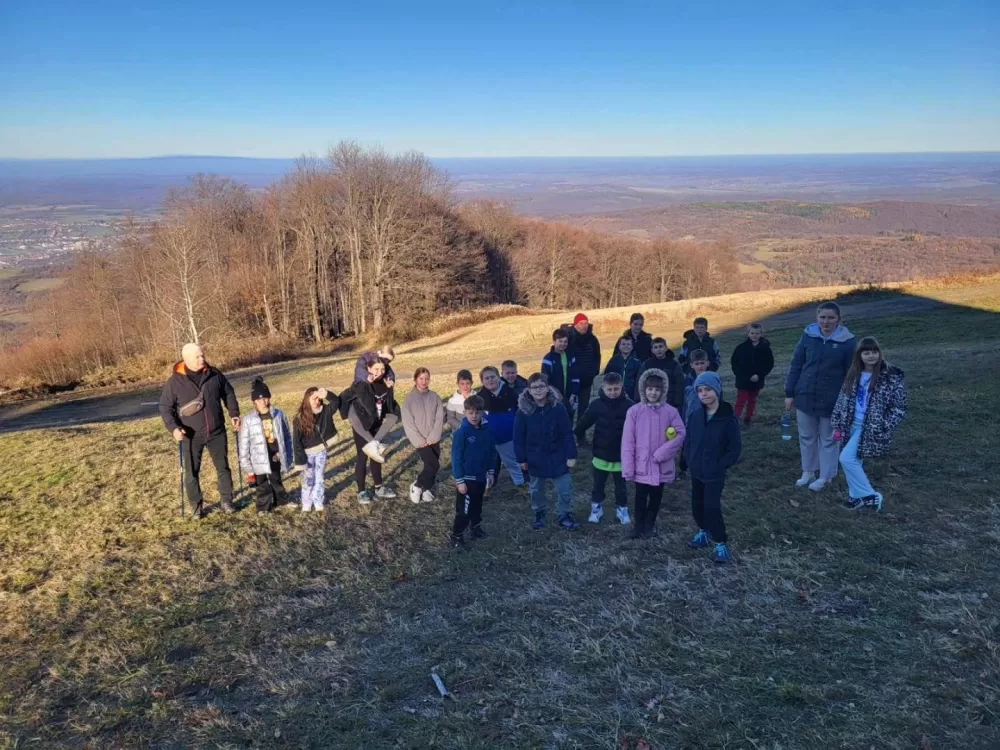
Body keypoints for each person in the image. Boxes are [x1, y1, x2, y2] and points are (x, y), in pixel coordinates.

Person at [159, 343, 240, 518]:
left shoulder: (214, 374)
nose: (202, 359)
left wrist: (234, 413)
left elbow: (228, 393)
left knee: (223, 468)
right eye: (197, 357)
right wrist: (174, 429)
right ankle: (196, 507)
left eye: (202, 355)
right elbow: (166, 408)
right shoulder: (174, 382)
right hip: (190, 436)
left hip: (217, 432)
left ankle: (227, 501)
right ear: (186, 359)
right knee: (191, 472)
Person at [785, 301, 856, 492]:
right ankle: (808, 471)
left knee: (829, 438)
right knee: (806, 436)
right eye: (822, 317)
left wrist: (848, 398)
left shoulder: (847, 342)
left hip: (832, 399)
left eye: (830, 317)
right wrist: (789, 392)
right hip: (805, 395)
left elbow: (851, 373)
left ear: (838, 319)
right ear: (817, 318)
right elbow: (796, 365)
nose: (826, 321)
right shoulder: (808, 337)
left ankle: (826, 476)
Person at [831, 337, 907, 511]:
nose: (871, 356)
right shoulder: (853, 374)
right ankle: (854, 496)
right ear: (860, 355)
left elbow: (899, 406)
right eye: (866, 352)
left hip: (871, 426)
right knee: (855, 459)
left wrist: (884, 425)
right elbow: (842, 399)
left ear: (880, 353)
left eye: (874, 352)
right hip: (850, 422)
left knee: (846, 458)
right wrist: (836, 422)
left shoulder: (890, 376)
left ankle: (870, 495)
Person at [684, 371, 742, 563]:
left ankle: (720, 543)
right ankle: (703, 531)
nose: (704, 394)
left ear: (717, 390)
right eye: (700, 391)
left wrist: (721, 465)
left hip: (714, 474)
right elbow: (689, 440)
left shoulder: (727, 418)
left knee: (711, 508)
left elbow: (734, 449)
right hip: (697, 470)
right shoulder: (695, 415)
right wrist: (686, 459)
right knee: (697, 507)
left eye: (708, 389)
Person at [621, 369, 686, 539]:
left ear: (663, 390)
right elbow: (628, 441)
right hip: (641, 464)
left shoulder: (671, 412)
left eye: (657, 389)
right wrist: (628, 467)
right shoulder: (634, 411)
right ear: (643, 389)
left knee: (656, 496)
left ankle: (650, 524)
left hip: (661, 464)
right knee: (640, 496)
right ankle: (638, 526)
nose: (653, 392)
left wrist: (661, 453)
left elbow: (680, 433)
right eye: (650, 389)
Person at [514, 373, 579, 530]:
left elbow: (567, 433)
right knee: (536, 490)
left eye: (541, 386)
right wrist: (521, 459)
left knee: (564, 488)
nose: (538, 390)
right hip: (535, 457)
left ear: (547, 387)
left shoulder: (558, 407)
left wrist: (571, 454)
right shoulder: (523, 411)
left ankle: (564, 514)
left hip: (558, 455)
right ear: (528, 390)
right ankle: (539, 513)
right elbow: (518, 437)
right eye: (534, 387)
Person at [340, 351, 400, 504]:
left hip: (377, 424)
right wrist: (366, 383)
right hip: (363, 425)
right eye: (376, 370)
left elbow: (389, 405)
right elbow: (348, 401)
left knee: (376, 454)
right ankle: (361, 491)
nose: (379, 373)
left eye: (382, 369)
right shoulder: (362, 383)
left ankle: (379, 487)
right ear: (368, 369)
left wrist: (390, 388)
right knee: (362, 456)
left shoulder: (384, 382)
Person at [575, 371, 634, 525]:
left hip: (622, 455)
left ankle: (622, 509)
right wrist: (575, 434)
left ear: (621, 387)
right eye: (609, 389)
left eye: (616, 389)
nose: (613, 392)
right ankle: (596, 508)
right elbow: (583, 423)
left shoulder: (630, 406)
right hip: (601, 454)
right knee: (598, 485)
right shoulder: (596, 405)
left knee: (621, 487)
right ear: (603, 388)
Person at [238, 377, 293, 513]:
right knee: (261, 483)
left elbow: (286, 435)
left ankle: (281, 500)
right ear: (254, 401)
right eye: (259, 399)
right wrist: (246, 462)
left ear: (269, 398)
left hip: (275, 453)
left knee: (276, 478)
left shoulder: (278, 414)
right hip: (258, 457)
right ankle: (263, 506)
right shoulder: (249, 419)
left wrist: (288, 453)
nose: (262, 402)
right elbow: (244, 442)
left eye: (265, 398)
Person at [450, 394, 496, 550]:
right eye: (470, 412)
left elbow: (491, 452)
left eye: (477, 412)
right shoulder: (461, 433)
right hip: (466, 480)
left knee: (477, 506)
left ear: (483, 412)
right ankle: (456, 536)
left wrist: (490, 471)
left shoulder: (487, 430)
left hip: (481, 477)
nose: (474, 416)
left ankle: (475, 528)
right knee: (464, 510)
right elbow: (456, 458)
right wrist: (460, 480)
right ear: (465, 412)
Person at [292, 386, 340, 513]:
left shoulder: (325, 410)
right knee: (308, 480)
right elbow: (296, 442)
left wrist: (327, 394)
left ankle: (318, 501)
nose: (317, 401)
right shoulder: (299, 419)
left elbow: (337, 402)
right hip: (306, 454)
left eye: (319, 398)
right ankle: (306, 503)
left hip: (321, 451)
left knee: (319, 477)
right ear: (306, 399)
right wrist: (300, 461)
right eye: (314, 398)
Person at [401, 367, 445, 504]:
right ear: (415, 380)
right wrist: (420, 440)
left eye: (426, 378)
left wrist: (433, 436)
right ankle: (417, 485)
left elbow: (439, 418)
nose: (424, 381)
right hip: (420, 440)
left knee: (429, 465)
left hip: (433, 438)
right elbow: (408, 423)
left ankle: (426, 488)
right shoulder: (409, 400)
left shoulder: (435, 397)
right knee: (434, 465)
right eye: (421, 378)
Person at [478, 365, 525, 488]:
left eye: (492, 377)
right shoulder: (480, 398)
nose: (490, 380)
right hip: (488, 439)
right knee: (487, 465)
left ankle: (522, 484)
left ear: (499, 377)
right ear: (482, 381)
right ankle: (486, 487)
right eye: (486, 378)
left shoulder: (510, 393)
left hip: (508, 437)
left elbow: (520, 412)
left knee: (513, 463)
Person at [730, 322, 775, 426]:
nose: (755, 335)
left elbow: (769, 364)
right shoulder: (741, 348)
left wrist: (760, 375)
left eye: (757, 333)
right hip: (743, 380)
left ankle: (748, 419)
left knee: (752, 401)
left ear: (761, 334)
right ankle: (734, 420)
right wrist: (744, 375)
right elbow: (735, 363)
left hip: (757, 380)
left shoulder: (765, 348)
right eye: (752, 333)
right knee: (740, 400)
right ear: (748, 333)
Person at [678, 349, 712, 478]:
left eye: (702, 363)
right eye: (697, 364)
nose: (700, 366)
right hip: (690, 418)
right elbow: (684, 402)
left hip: (707, 418)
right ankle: (683, 468)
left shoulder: (712, 379)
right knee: (688, 443)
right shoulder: (687, 381)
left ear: (707, 363)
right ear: (691, 365)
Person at [564, 313, 602, 420]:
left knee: (584, 409)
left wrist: (594, 372)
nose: (584, 326)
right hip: (571, 381)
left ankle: (581, 433)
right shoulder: (569, 338)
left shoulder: (593, 339)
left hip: (586, 381)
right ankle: (568, 434)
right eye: (581, 323)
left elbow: (597, 357)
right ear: (575, 324)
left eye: (586, 323)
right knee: (569, 408)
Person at [541, 328, 581, 421]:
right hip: (555, 397)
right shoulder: (548, 359)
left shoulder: (570, 356)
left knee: (569, 420)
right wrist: (556, 394)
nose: (563, 344)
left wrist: (573, 394)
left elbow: (575, 376)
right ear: (554, 341)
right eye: (560, 341)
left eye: (565, 341)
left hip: (569, 396)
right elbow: (545, 380)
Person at [641, 336, 685, 410]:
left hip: (669, 402)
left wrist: (677, 403)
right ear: (652, 350)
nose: (658, 349)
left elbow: (679, 384)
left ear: (666, 348)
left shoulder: (674, 365)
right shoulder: (647, 365)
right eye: (656, 347)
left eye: (661, 346)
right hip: (651, 401)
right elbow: (641, 382)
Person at [604, 335, 643, 401]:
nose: (626, 346)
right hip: (615, 392)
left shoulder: (637, 362)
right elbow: (607, 375)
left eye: (628, 344)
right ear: (619, 346)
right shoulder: (614, 360)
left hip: (632, 393)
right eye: (623, 344)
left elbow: (640, 378)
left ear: (632, 346)